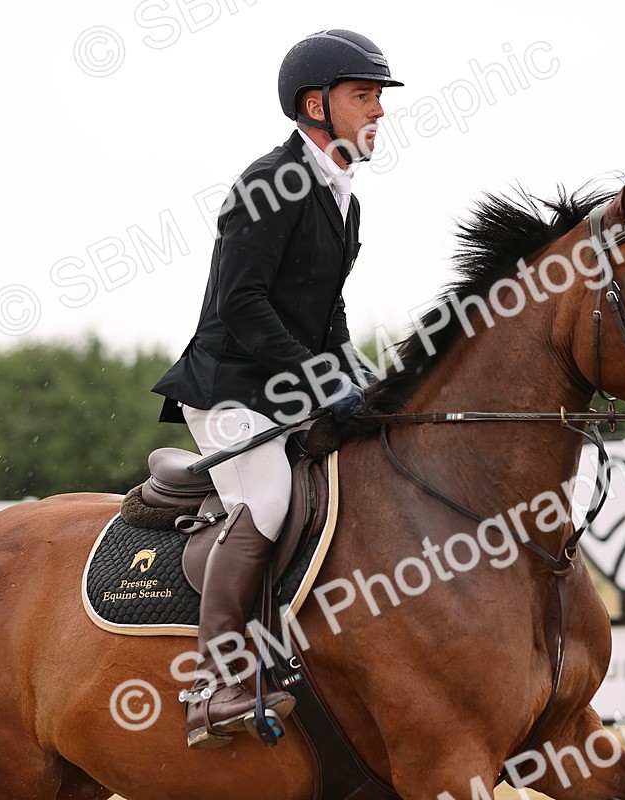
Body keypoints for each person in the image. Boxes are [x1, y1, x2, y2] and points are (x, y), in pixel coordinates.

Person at [150, 29, 403, 750]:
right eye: (364, 96)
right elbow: (243, 303)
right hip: (228, 385)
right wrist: (320, 376)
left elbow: (328, 313)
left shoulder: (344, 197)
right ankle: (216, 682)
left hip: (284, 384)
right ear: (314, 104)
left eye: (379, 96)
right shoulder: (272, 182)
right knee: (265, 498)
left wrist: (358, 376)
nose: (378, 111)